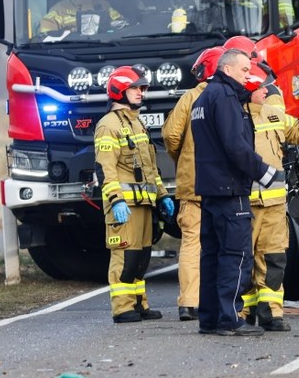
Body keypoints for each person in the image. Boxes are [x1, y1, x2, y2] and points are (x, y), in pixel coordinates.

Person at [190, 49, 281, 337]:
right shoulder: (225, 97)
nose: (248, 75)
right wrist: (266, 173)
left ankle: (210, 318)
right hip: (230, 190)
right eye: (243, 70)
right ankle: (230, 318)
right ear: (227, 70)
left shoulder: (203, 98)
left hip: (210, 190)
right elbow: (235, 146)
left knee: (213, 256)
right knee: (235, 255)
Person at [239, 64, 299, 331]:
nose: (267, 91)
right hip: (245, 203)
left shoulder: (274, 114)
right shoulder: (234, 118)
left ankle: (271, 313)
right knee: (243, 259)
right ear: (248, 90)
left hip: (274, 204)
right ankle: (242, 311)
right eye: (261, 87)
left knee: (274, 258)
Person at [95, 66, 174, 323]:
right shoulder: (108, 125)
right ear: (119, 90)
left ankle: (139, 304)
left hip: (144, 203)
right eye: (136, 88)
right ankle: (122, 308)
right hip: (124, 206)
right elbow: (105, 168)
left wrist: (162, 195)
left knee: (141, 258)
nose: (141, 93)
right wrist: (115, 200)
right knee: (125, 257)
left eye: (143, 88)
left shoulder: (137, 122)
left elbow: (150, 167)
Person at [162, 46, 225, 322]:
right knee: (226, 243)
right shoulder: (228, 96)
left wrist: (184, 159)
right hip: (223, 185)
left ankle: (189, 303)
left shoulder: (190, 97)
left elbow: (171, 135)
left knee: (192, 243)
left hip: (193, 184)